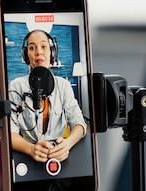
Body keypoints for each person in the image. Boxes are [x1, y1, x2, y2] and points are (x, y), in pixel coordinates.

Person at [8, 29, 87, 163]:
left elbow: (79, 124)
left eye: (43, 46)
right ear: (26, 55)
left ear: (52, 53)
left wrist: (67, 144)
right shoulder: (16, 87)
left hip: (59, 158)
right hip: (26, 157)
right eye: (32, 48)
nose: (38, 52)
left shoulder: (64, 86)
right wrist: (31, 149)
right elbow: (10, 132)